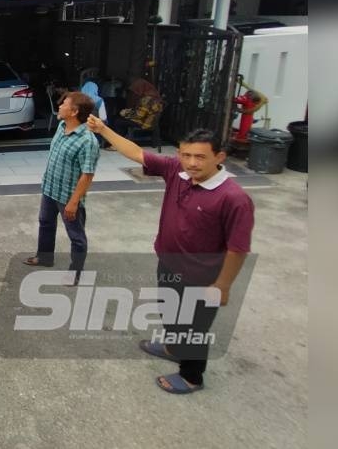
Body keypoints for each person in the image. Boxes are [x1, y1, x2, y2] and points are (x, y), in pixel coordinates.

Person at [86, 117, 254, 395]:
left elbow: (238, 248)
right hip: (168, 263)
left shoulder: (233, 198)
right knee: (171, 313)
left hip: (203, 278)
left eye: (200, 157)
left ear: (219, 157)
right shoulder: (176, 170)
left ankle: (191, 376)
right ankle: (173, 347)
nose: (192, 163)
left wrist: (222, 286)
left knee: (194, 329)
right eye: (186, 155)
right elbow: (136, 152)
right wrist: (103, 130)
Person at [24, 91, 99, 281]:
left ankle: (75, 273)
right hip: (50, 189)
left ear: (74, 111)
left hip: (68, 196)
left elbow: (87, 174)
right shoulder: (61, 126)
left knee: (76, 237)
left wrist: (74, 202)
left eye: (64, 104)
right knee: (46, 223)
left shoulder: (87, 141)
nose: (59, 106)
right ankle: (44, 257)